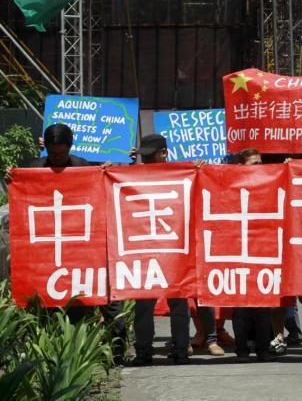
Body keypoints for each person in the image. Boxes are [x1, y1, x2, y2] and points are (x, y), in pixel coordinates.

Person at [5, 123, 128, 365]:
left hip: (86, 249)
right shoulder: (31, 169)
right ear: (46, 149)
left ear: (70, 148)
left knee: (108, 298)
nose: (57, 159)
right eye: (52, 154)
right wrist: (10, 177)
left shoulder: (85, 168)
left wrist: (107, 174)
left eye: (61, 154)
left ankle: (118, 352)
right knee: (48, 307)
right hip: (47, 251)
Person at [130, 134, 190, 366]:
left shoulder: (181, 174)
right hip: (144, 248)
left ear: (164, 153)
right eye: (142, 157)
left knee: (178, 302)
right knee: (144, 303)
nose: (145, 162)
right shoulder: (134, 175)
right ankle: (144, 351)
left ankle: (180, 350)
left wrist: (199, 171)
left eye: (149, 156)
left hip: (174, 248)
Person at [232, 147, 275, 362]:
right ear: (241, 166)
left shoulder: (269, 181)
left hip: (263, 248)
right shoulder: (229, 183)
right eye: (254, 164)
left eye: (261, 163)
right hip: (237, 248)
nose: (259, 167)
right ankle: (241, 349)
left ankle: (263, 348)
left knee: (263, 303)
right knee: (240, 304)